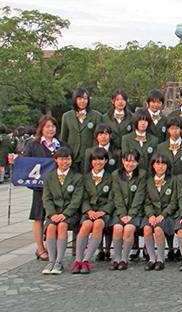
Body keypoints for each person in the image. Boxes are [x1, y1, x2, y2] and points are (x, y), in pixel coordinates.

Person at [8, 115, 67, 261]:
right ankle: (40, 248)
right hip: (40, 188)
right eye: (47, 126)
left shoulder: (60, 144)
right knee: (38, 217)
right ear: (41, 128)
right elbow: (27, 165)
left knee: (55, 217)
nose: (50, 129)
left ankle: (50, 246)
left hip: (58, 187)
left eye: (53, 126)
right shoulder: (33, 145)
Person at [41, 146, 83, 274]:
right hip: (54, 214)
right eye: (62, 159)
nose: (65, 162)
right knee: (51, 228)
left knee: (63, 226)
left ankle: (59, 261)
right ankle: (51, 261)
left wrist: (65, 214)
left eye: (68, 159)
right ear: (56, 160)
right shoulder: (49, 178)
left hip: (70, 214)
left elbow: (77, 199)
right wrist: (52, 214)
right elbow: (46, 199)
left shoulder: (77, 177)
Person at [72, 147, 113, 274]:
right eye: (95, 159)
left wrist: (103, 211)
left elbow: (112, 198)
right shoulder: (84, 178)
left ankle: (86, 259)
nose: (98, 162)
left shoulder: (110, 178)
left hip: (103, 213)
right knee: (86, 224)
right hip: (89, 212)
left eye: (101, 159)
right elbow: (82, 197)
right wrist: (88, 211)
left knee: (98, 224)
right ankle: (78, 260)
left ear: (106, 161)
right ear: (91, 161)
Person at [109, 149, 147, 271]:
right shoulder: (116, 175)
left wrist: (131, 214)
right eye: (127, 161)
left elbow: (139, 196)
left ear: (138, 162)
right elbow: (117, 195)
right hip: (120, 211)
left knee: (129, 229)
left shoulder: (142, 175)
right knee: (117, 228)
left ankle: (124, 259)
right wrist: (122, 213)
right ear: (122, 161)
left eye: (133, 161)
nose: (130, 164)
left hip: (135, 212)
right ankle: (117, 258)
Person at [142, 153, 178, 271]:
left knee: (158, 230)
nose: (160, 166)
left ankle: (161, 258)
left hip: (167, 215)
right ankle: (152, 258)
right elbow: (146, 202)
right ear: (153, 165)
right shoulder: (148, 181)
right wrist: (151, 215)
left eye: (163, 163)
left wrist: (163, 215)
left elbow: (174, 202)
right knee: (147, 229)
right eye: (157, 163)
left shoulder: (173, 180)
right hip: (152, 214)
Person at [60, 87, 103, 172]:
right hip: (72, 157)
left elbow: (98, 137)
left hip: (90, 157)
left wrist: (94, 153)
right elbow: (64, 138)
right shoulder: (67, 116)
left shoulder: (96, 116)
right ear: (74, 99)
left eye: (85, 98)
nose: (82, 101)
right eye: (79, 98)